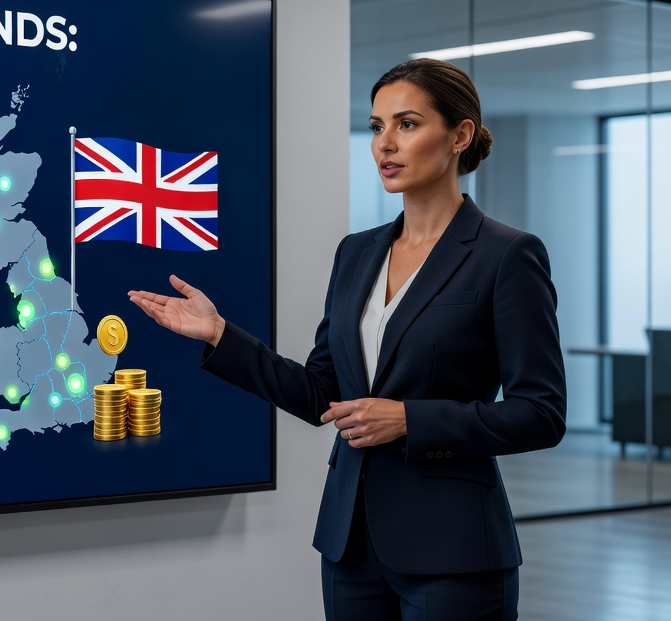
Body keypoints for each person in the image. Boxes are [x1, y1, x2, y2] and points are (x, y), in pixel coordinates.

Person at [129, 58, 566, 621]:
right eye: (378, 125)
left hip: (453, 549)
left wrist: (410, 419)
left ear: (459, 135)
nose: (385, 143)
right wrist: (218, 335)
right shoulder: (356, 252)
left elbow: (541, 413)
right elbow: (322, 393)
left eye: (407, 124)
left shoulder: (507, 254)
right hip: (349, 545)